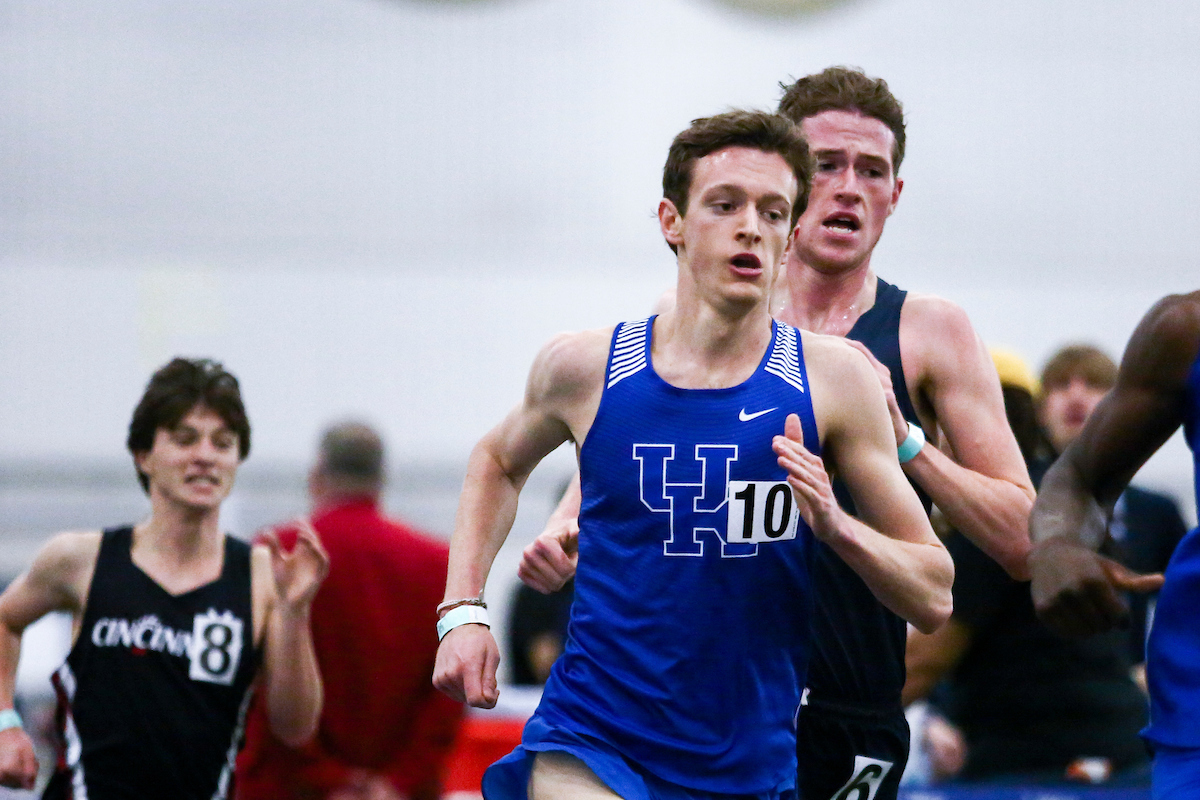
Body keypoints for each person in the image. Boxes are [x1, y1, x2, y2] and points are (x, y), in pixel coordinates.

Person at [519, 67, 1033, 800]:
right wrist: (562, 531)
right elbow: (622, 458)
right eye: (828, 165)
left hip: (848, 702)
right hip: (699, 707)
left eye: (873, 170)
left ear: (896, 194)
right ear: (790, 181)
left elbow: (1023, 542)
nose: (850, 186)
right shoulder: (701, 315)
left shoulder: (930, 331)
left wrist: (909, 444)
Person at [434, 109, 952, 800]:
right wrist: (462, 612)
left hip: (747, 759)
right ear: (671, 221)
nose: (751, 227)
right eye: (725, 205)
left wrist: (838, 528)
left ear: (792, 235)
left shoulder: (833, 381)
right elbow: (496, 462)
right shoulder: (587, 367)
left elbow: (934, 591)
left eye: (773, 212)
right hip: (593, 735)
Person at [0, 357, 328, 799]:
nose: (205, 456)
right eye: (185, 439)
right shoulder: (80, 560)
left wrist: (294, 612)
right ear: (144, 455)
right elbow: (5, 621)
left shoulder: (261, 578)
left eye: (223, 442)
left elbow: (296, 727)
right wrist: (6, 724)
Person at [904, 349, 1154, 784]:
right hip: (1108, 756)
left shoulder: (1001, 519)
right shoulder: (1060, 500)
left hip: (1039, 766)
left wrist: (825, 722)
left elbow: (925, 661)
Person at [1029, 290, 1200, 799]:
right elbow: (1078, 477)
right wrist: (1057, 543)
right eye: (1061, 386)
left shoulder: (1156, 513)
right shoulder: (1185, 329)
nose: (1076, 397)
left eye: (1091, 384)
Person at [236, 422, 464, 800]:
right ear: (381, 479)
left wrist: (328, 779)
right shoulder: (438, 563)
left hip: (291, 789)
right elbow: (450, 689)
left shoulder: (276, 553)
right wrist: (398, 782)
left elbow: (258, 685)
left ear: (316, 476)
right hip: (400, 794)